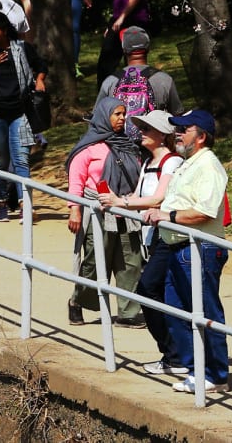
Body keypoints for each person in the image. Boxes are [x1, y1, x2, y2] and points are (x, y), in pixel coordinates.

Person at [141, 109, 232, 395]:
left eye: (184, 129)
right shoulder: (188, 164)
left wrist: (166, 216)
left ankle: (216, 375)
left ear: (202, 136)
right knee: (176, 311)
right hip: (177, 246)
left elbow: (204, 212)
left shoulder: (209, 165)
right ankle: (196, 371)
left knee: (205, 312)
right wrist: (158, 212)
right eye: (177, 129)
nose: (177, 134)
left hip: (200, 247)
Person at [96, 110, 183, 373]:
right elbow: (137, 197)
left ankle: (175, 355)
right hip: (150, 236)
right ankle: (172, 355)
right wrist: (113, 200)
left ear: (162, 135)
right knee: (157, 292)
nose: (141, 133)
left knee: (149, 290)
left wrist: (120, 202)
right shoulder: (147, 163)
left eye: (147, 129)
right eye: (142, 128)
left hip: (168, 236)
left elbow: (158, 198)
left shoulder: (172, 162)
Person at [63, 96, 145, 325]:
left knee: (131, 261)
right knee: (94, 261)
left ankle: (128, 313)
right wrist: (74, 211)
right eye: (117, 114)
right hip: (97, 212)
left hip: (126, 210)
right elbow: (76, 182)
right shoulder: (88, 148)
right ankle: (77, 302)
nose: (122, 118)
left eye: (123, 114)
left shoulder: (128, 144)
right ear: (103, 115)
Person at [0, 12, 46, 220]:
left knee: (21, 159)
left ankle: (25, 205)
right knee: (0, 161)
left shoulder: (21, 48)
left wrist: (39, 79)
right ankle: (1, 203)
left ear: (4, 30)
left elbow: (41, 65)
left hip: (20, 113)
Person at [96, 27, 184, 122]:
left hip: (119, 136)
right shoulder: (164, 80)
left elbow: (97, 120)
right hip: (153, 136)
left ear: (124, 50)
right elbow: (177, 116)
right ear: (148, 49)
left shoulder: (110, 81)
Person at [97, 0, 152, 80]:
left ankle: (136, 91)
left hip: (133, 19)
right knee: (106, 61)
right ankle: (106, 93)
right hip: (118, 18)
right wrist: (112, 23)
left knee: (132, 60)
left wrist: (122, 17)